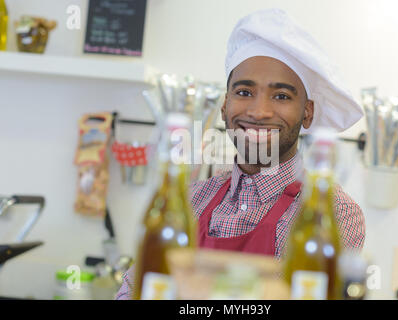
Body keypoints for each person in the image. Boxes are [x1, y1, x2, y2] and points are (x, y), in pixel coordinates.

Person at [115, 8, 365, 300]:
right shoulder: (190, 199)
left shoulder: (332, 213)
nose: (259, 112)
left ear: (307, 113)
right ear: (224, 106)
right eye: (244, 92)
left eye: (281, 96)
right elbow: (135, 290)